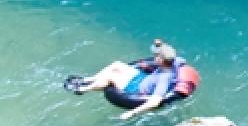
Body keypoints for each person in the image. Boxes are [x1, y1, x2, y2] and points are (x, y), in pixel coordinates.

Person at [66, 39, 196, 119]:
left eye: (157, 56)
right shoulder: (175, 61)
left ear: (161, 60)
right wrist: (160, 44)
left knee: (110, 77)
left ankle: (83, 89)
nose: (154, 56)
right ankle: (87, 79)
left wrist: (132, 113)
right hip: (143, 78)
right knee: (116, 65)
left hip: (136, 89)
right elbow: (174, 56)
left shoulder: (164, 78)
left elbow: (155, 101)